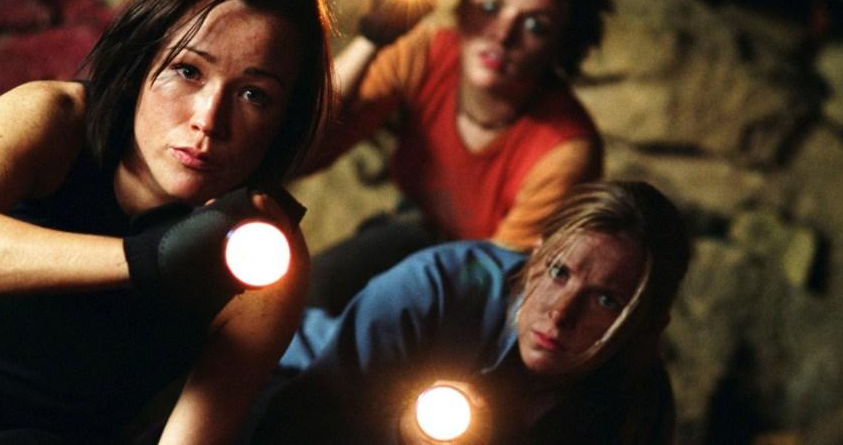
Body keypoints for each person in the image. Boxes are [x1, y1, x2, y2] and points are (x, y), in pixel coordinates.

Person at [0, 0, 333, 444]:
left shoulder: (265, 261)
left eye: (254, 95)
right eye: (188, 71)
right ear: (141, 61)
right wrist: (147, 260)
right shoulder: (55, 118)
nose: (208, 120)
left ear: (284, 121)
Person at [304, 0, 610, 313]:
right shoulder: (427, 54)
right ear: (464, 6)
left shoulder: (563, 148)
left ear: (562, 46)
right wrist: (371, 40)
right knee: (311, 293)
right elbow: (306, 142)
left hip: (492, 285)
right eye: (490, 6)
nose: (502, 35)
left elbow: (498, 280)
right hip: (416, 228)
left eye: (535, 26)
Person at [249, 180, 691, 444]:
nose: (560, 314)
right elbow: (301, 423)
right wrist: (404, 432)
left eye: (606, 300)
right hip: (288, 367)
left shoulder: (638, 405)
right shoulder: (440, 285)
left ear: (647, 327)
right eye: (558, 272)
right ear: (536, 253)